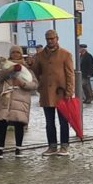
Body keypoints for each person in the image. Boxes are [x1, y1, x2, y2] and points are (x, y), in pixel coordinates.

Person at [30, 29, 75, 157]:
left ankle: (64, 146)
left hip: (60, 92)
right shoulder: (40, 55)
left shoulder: (65, 54)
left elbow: (70, 74)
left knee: (63, 121)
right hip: (46, 92)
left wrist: (69, 91)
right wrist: (31, 64)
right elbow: (37, 72)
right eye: (48, 39)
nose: (50, 41)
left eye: (52, 38)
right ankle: (52, 146)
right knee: (49, 122)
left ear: (57, 38)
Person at [0, 45, 38, 158]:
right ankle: (0, 149)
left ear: (20, 54)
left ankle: (18, 148)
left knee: (19, 123)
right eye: (13, 52)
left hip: (20, 99)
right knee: (2, 123)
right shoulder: (4, 65)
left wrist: (22, 83)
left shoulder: (27, 68)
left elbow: (34, 84)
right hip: (6, 99)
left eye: (17, 52)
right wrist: (10, 69)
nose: (15, 54)